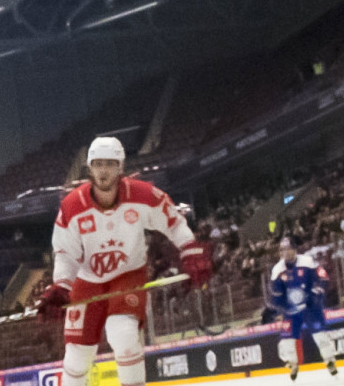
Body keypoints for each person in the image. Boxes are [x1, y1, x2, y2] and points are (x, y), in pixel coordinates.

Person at [38, 137, 214, 386]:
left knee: (124, 336)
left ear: (120, 167)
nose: (103, 171)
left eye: (110, 164)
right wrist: (61, 286)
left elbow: (173, 222)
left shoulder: (143, 195)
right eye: (98, 164)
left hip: (127, 275)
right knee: (76, 356)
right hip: (86, 280)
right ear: (90, 168)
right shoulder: (71, 207)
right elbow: (66, 254)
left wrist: (189, 250)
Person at [269, 237, 339, 380]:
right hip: (290, 311)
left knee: (320, 335)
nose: (285, 253)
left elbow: (322, 278)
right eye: (282, 250)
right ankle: (292, 364)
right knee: (287, 340)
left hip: (310, 306)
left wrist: (317, 293)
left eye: (288, 249)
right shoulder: (277, 270)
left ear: (294, 249)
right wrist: (279, 306)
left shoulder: (307, 262)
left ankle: (330, 360)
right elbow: (276, 294)